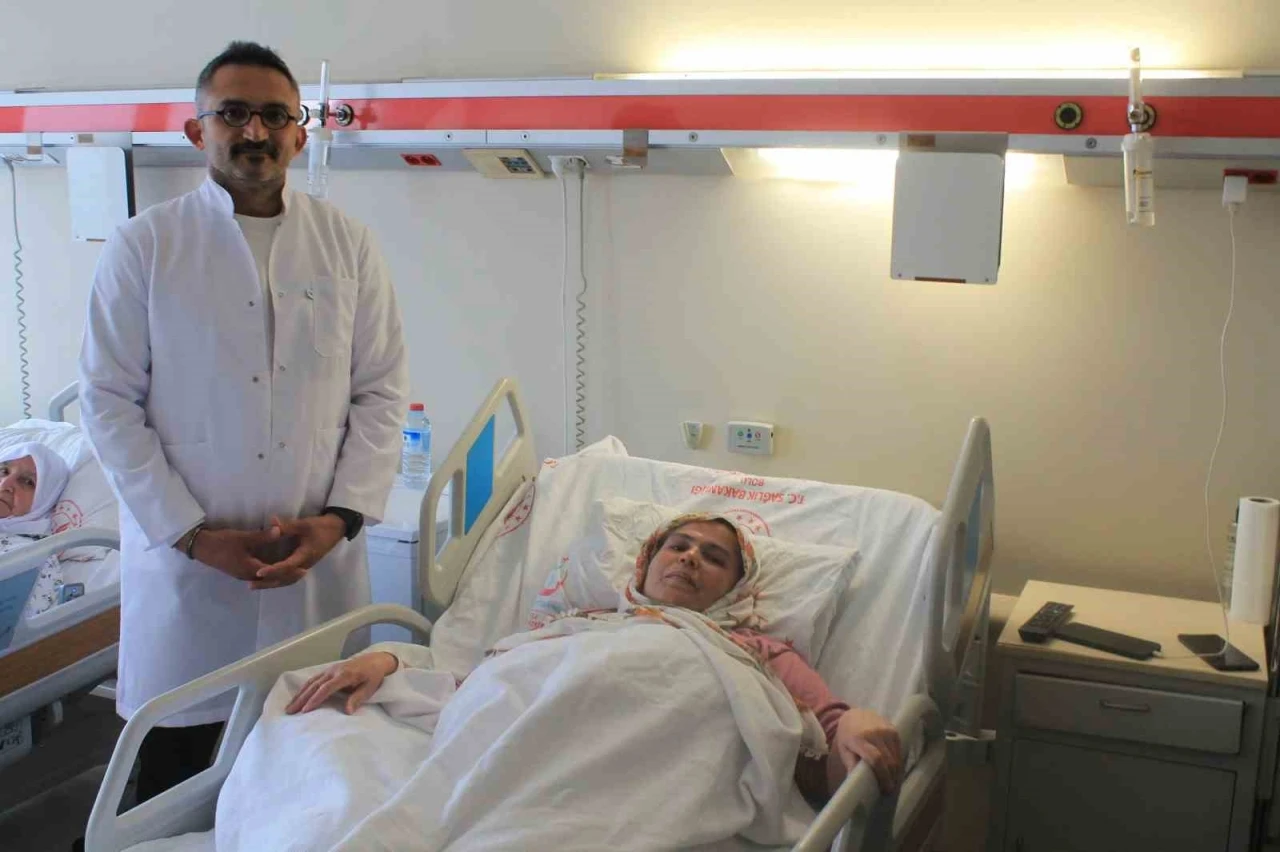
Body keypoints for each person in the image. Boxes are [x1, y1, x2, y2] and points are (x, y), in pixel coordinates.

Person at [78, 40, 409, 804]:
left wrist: (340, 521)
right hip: (187, 579)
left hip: (315, 571)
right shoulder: (146, 245)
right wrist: (193, 536)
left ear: (300, 134)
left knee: (311, 777)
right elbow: (107, 400)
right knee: (173, 786)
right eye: (233, 113)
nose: (255, 131)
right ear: (197, 131)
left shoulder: (348, 245)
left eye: (274, 116)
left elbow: (381, 390)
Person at [287, 514, 904, 802]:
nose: (690, 558)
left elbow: (827, 737)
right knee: (305, 731)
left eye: (714, 557)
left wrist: (854, 724)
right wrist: (390, 665)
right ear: (647, 561)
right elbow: (490, 686)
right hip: (514, 756)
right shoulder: (581, 624)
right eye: (678, 546)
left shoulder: (754, 650)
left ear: (735, 589)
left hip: (642, 786)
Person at [0, 444, 74, 619]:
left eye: (27, 482)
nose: (5, 484)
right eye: (3, 471)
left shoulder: (33, 559)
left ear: (44, 500)